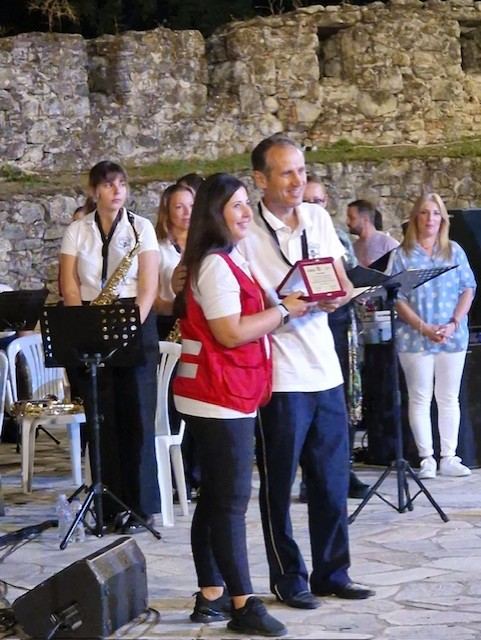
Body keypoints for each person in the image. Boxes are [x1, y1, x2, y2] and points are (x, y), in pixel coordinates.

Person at [239, 134, 375, 609]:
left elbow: (336, 275)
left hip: (325, 369)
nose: (298, 181)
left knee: (332, 481)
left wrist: (338, 295)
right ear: (261, 180)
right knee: (279, 486)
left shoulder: (316, 218)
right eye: (287, 172)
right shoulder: (246, 232)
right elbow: (245, 299)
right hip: (280, 375)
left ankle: (333, 572)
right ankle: (287, 576)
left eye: (301, 170)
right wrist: (284, 305)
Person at [173, 173, 308, 636]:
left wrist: (288, 302)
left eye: (247, 203)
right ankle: (243, 603)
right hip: (218, 393)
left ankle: (211, 593)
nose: (247, 211)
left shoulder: (228, 257)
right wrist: (283, 311)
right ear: (216, 214)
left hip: (229, 390)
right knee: (230, 501)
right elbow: (230, 332)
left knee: (216, 498)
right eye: (236, 205)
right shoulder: (214, 264)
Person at [60, 160, 161, 533]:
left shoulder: (141, 227)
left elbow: (149, 284)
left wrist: (131, 325)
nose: (117, 190)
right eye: (107, 184)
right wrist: (85, 326)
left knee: (137, 417)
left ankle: (140, 507)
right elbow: (69, 284)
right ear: (93, 191)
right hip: (90, 318)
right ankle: (106, 505)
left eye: (121, 183)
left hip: (133, 319)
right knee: (102, 418)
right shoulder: (77, 230)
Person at [390, 192, 476, 479]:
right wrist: (423, 327)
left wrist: (453, 322)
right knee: (420, 397)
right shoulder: (402, 255)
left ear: (443, 219)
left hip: (451, 334)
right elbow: (397, 298)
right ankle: (426, 457)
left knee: (449, 397)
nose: (430, 219)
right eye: (425, 212)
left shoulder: (454, 251)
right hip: (415, 337)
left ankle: (449, 456)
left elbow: (468, 288)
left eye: (436, 213)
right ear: (416, 217)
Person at [303, 176, 369, 500]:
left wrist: (344, 293)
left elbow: (349, 277)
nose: (313, 206)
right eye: (308, 201)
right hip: (308, 323)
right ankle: (310, 477)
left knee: (344, 401)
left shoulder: (337, 234)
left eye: (318, 200)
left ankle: (344, 470)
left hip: (341, 321)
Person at [154, 182, 195, 339]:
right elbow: (155, 303)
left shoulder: (204, 245)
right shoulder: (157, 248)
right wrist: (181, 309)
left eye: (192, 206)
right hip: (169, 325)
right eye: (179, 207)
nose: (187, 212)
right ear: (167, 211)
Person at [347, 199, 399, 267]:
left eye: (352, 218)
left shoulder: (389, 244)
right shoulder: (353, 247)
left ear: (365, 219)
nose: (347, 222)